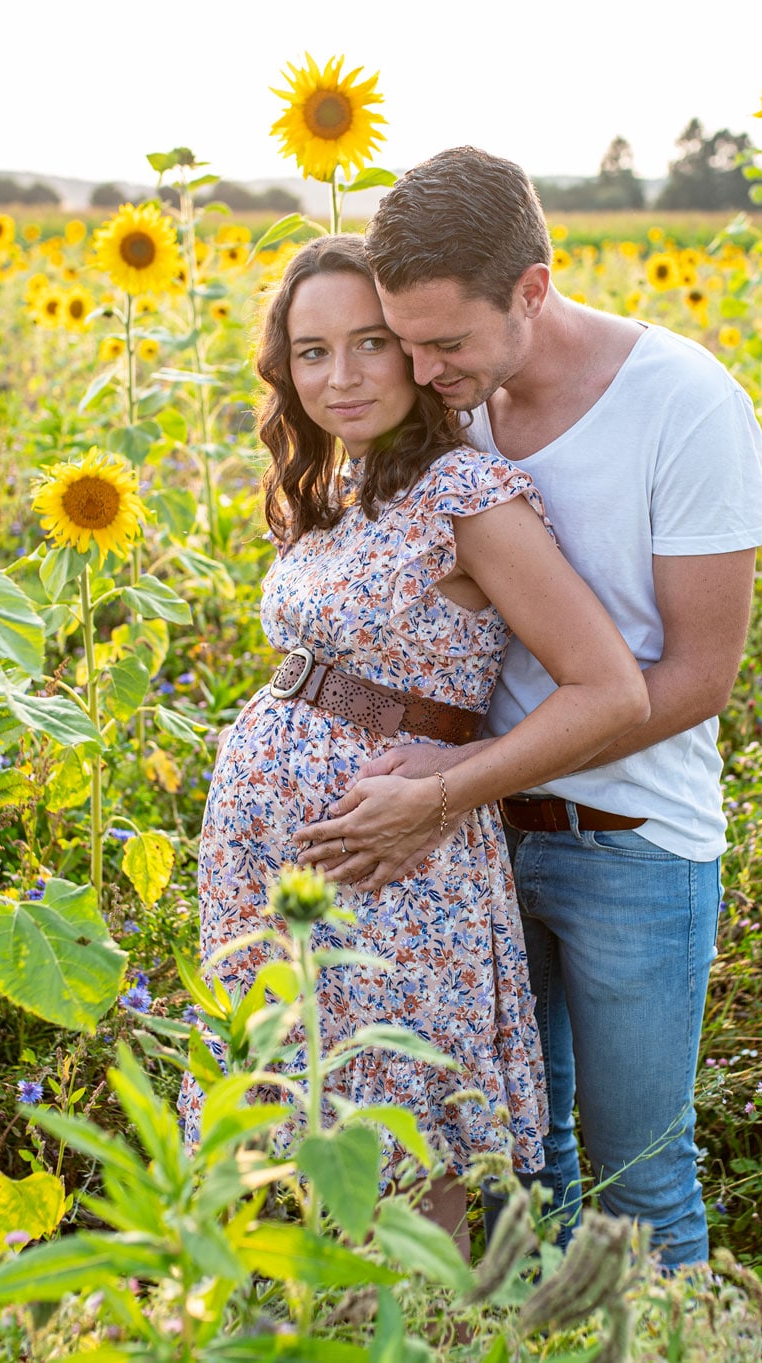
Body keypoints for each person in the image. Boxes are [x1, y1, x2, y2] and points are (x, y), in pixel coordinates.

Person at [301, 147, 762, 1269]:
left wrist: (457, 783)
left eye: (444, 343)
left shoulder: (685, 406)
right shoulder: (446, 409)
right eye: (402, 341)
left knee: (638, 1179)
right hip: (474, 852)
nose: (421, 366)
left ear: (531, 285)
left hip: (632, 850)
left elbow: (699, 677)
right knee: (521, 1165)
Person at [186, 234, 647, 1243]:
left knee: (397, 1142)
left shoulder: (464, 496)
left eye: (367, 344)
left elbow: (608, 686)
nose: (339, 376)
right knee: (283, 1128)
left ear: (410, 352)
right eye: (310, 352)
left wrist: (452, 787)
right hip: (273, 861)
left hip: (393, 860)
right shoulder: (335, 489)